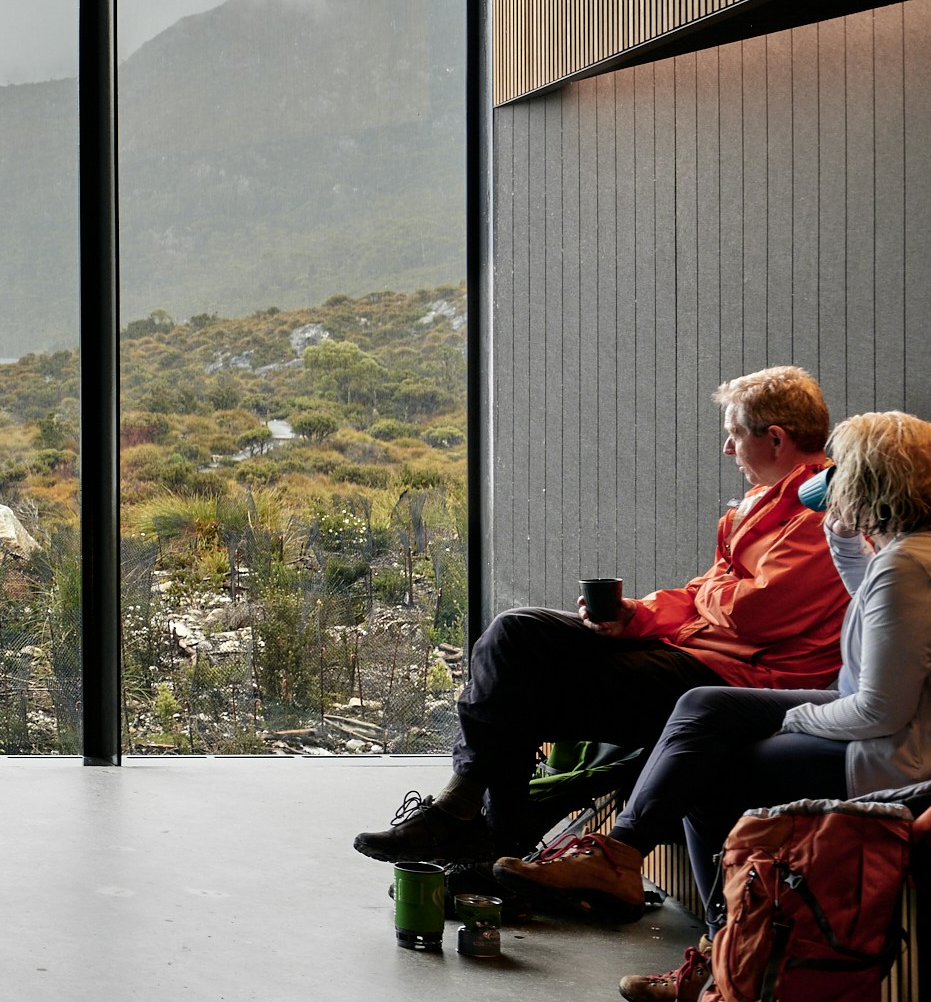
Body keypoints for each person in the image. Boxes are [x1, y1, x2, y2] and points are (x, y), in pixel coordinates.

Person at [613, 410, 931, 1002]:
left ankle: (729, 967)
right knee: (704, 706)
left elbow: (876, 712)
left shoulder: (911, 568)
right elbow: (870, 604)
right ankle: (621, 854)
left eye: (841, 472)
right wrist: (837, 524)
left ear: (867, 480)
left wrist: (789, 718)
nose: (828, 477)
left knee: (716, 773)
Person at [355, 365, 847, 866]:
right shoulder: (765, 503)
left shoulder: (820, 510)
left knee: (516, 686)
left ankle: (484, 833)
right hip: (697, 652)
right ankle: (467, 813)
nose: (727, 451)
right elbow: (712, 592)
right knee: (514, 632)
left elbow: (758, 611)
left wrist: (705, 598)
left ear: (777, 439)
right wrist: (636, 615)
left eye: (734, 436)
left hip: (740, 678)